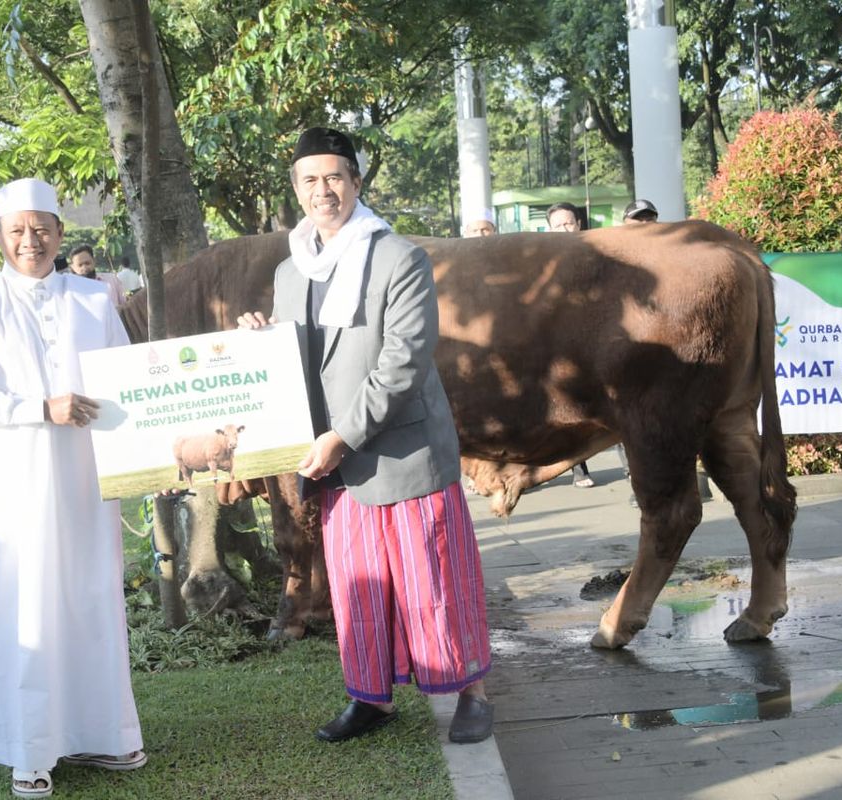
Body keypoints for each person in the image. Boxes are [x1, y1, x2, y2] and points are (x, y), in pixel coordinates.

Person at [237, 127, 493, 745]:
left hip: (400, 452)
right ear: (295, 191)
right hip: (338, 466)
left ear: (355, 182)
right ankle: (371, 699)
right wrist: (259, 340)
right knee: (357, 589)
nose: (323, 191)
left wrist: (341, 437)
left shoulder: (397, 258)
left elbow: (403, 363)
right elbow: (298, 358)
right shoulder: (291, 270)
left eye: (334, 177)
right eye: (310, 180)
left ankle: (473, 693)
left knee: (434, 580)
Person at [0, 178, 144, 799]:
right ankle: (29, 752)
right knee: (23, 605)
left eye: (43, 228)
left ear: (60, 232)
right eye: (18, 230)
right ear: (0, 237)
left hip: (85, 477)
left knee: (90, 596)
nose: (32, 240)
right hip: (14, 479)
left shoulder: (93, 298)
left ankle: (103, 734)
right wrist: (39, 408)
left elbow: (128, 379)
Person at [542, 203, 594, 487]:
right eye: (559, 224)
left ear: (579, 224)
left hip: (594, 343)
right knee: (569, 408)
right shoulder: (542, 262)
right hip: (560, 347)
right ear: (550, 229)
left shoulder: (595, 254)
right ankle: (578, 468)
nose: (565, 229)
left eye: (569, 223)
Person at [67, 244, 125, 309]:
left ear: (94, 261)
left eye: (87, 263)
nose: (85, 268)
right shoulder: (72, 292)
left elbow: (125, 305)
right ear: (73, 268)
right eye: (80, 265)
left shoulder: (112, 280)